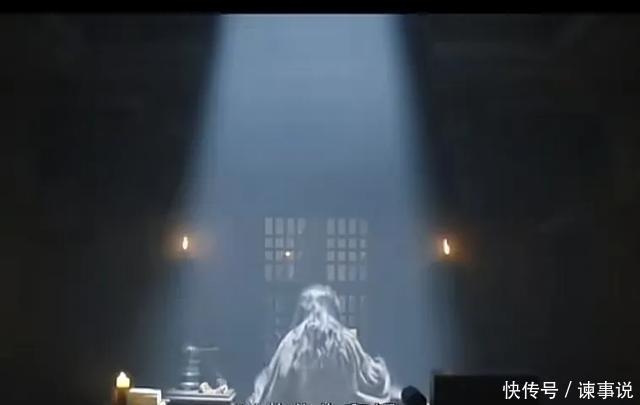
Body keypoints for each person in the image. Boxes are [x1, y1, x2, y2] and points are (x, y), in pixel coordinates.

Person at [247, 285, 398, 405]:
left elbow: (278, 380)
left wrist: (263, 384)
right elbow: (369, 378)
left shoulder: (293, 341)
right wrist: (381, 367)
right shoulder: (347, 340)